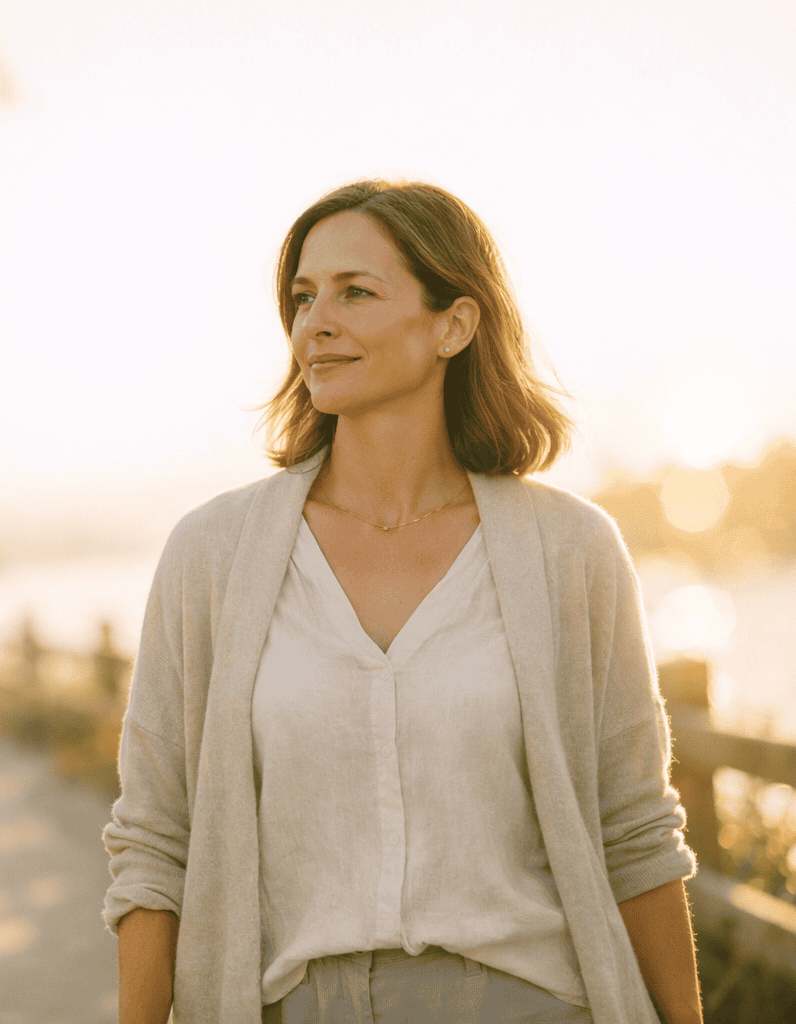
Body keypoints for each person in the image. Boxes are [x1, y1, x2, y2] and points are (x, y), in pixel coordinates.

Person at [102, 180, 702, 1024]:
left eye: (357, 292)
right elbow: (154, 842)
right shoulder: (212, 556)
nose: (316, 322)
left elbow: (635, 833)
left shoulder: (570, 552)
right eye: (303, 297)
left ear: (454, 325)